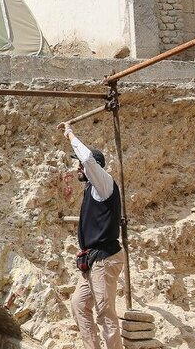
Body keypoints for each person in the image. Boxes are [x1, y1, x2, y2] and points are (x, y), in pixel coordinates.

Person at [58, 122, 125, 349]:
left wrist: (70, 133)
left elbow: (87, 160)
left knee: (105, 312)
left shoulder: (104, 184)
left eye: (79, 163)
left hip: (105, 259)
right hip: (93, 260)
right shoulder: (91, 188)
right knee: (78, 304)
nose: (77, 167)